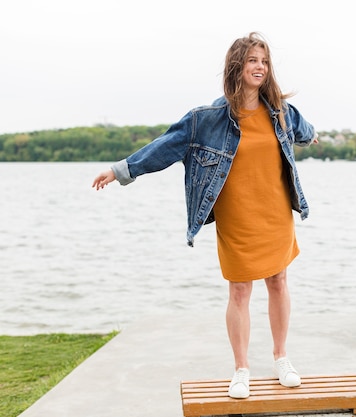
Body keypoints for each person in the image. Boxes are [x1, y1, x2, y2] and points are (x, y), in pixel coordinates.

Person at [92, 32, 318, 399]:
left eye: (264, 61)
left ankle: (281, 358)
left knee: (278, 282)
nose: (259, 67)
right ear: (237, 66)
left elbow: (304, 131)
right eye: (252, 61)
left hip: (275, 212)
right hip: (237, 215)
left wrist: (311, 137)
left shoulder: (280, 112)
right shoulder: (207, 119)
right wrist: (121, 171)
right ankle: (241, 369)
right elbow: (165, 146)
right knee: (240, 290)